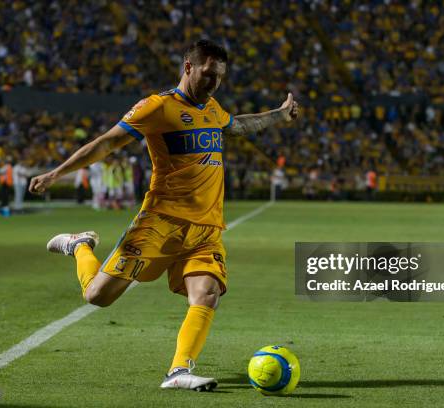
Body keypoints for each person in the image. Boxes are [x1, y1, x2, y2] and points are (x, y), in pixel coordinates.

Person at [28, 40, 299, 392]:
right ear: (188, 67)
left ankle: (179, 370)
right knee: (98, 297)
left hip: (205, 228)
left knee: (207, 292)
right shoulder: (158, 108)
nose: (214, 83)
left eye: (219, 77)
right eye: (208, 74)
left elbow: (238, 126)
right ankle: (80, 246)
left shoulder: (213, 109)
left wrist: (278, 114)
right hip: (160, 221)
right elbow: (106, 143)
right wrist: (55, 174)